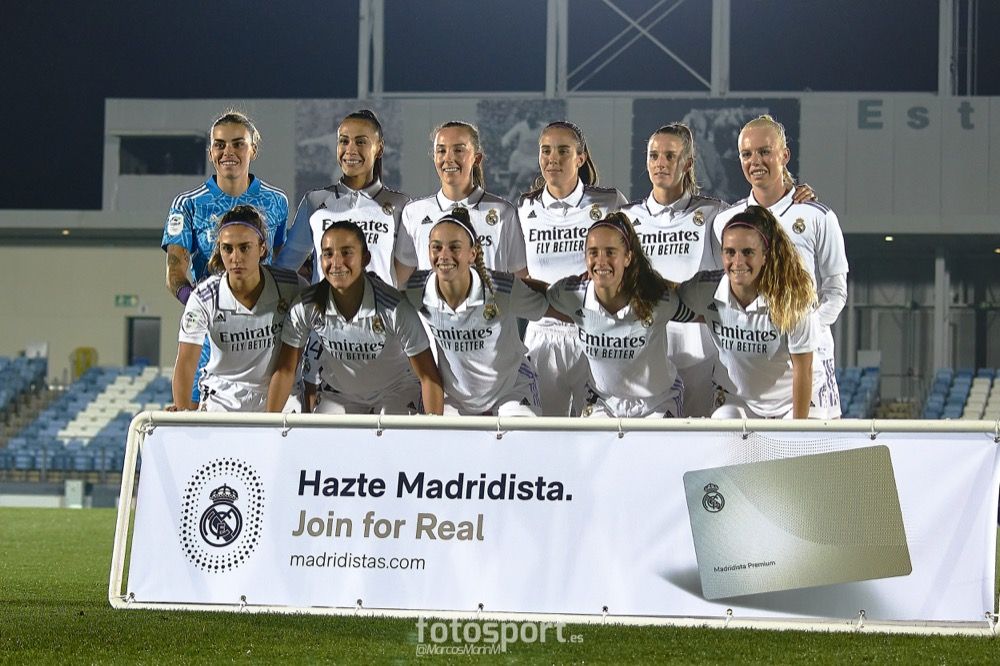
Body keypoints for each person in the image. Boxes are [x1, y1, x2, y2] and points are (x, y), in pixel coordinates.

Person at [622, 123, 817, 417]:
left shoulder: (716, 214)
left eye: (670, 155)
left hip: (704, 358)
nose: (660, 163)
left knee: (709, 438)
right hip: (648, 353)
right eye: (654, 155)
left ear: (688, 163)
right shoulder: (626, 218)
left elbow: (758, 231)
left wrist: (792, 196)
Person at [713, 114, 848, 418]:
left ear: (784, 155)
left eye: (764, 151)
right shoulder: (725, 221)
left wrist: (801, 329)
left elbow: (836, 292)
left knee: (806, 446)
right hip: (751, 364)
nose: (755, 161)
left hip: (807, 359)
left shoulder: (817, 217)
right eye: (746, 154)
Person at [162, 110, 289, 404]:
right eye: (219, 145)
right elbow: (175, 270)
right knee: (192, 412)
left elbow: (285, 265)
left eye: (238, 144)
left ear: (253, 150)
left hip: (264, 334)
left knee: (270, 416)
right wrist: (202, 308)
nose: (228, 152)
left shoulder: (276, 201)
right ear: (210, 153)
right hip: (211, 335)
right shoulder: (188, 204)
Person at [267, 221, 443, 415]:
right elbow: (285, 371)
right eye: (328, 254)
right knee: (321, 433)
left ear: (365, 258)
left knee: (393, 430)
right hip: (339, 393)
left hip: (395, 389)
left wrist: (432, 429)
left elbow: (429, 377)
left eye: (346, 252)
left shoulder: (394, 307)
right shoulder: (306, 305)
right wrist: (269, 424)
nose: (336, 263)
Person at [519, 120, 627, 416]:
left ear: (580, 158)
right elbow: (519, 274)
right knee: (541, 431)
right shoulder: (525, 208)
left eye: (563, 151)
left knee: (597, 430)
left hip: (595, 332)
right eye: (546, 151)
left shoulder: (609, 202)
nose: (552, 158)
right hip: (542, 334)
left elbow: (630, 262)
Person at [547, 213, 697, 418]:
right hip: (603, 402)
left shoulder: (659, 300)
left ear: (628, 257)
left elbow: (705, 310)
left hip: (657, 402)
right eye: (593, 252)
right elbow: (535, 295)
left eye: (610, 252)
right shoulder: (571, 294)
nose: (601, 261)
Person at [403, 209, 549, 416]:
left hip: (511, 388)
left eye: (454, 247)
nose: (444, 255)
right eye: (437, 247)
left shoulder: (500, 288)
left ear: (472, 254)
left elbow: (555, 303)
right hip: (455, 396)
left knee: (519, 435)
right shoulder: (417, 289)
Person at [681, 206, 819, 419]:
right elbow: (663, 302)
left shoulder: (793, 300)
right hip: (736, 402)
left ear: (765, 256)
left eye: (747, 252)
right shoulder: (704, 289)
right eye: (730, 252)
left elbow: (804, 369)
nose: (738, 262)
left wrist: (797, 429)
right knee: (722, 421)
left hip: (788, 403)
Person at [171, 205, 306, 412]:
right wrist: (181, 415)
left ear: (262, 248)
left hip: (281, 395)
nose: (236, 257)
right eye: (227, 248)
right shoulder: (203, 298)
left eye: (245, 248)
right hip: (222, 397)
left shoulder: (292, 286)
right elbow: (186, 363)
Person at [274, 109, 408, 286]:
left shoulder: (401, 205)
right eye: (344, 141)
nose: (350, 150)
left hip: (379, 305)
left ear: (379, 148)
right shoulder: (314, 201)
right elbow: (284, 270)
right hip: (325, 305)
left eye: (360, 142)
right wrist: (306, 298)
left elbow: (410, 275)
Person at [394, 121, 527, 286]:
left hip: (490, 304)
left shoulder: (502, 212)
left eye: (458, 150)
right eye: (441, 151)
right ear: (434, 157)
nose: (448, 158)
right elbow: (400, 282)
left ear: (476, 158)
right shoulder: (414, 213)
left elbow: (522, 279)